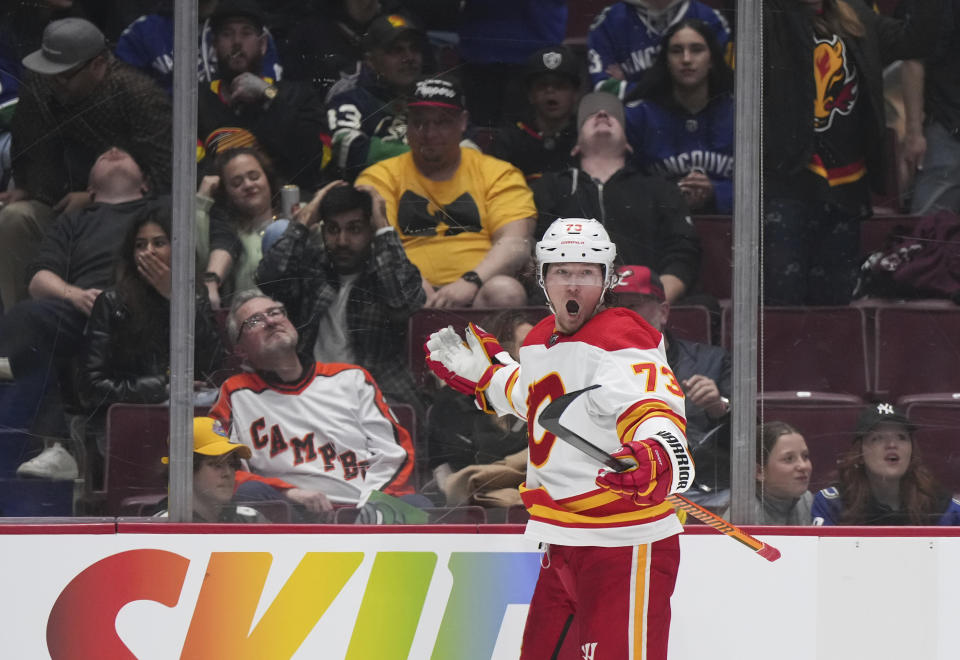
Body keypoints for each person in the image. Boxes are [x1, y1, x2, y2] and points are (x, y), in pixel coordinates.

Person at [426, 217, 694, 659]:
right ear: (542, 279)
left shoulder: (623, 335)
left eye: (586, 273)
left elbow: (649, 401)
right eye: (562, 272)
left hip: (624, 546)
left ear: (606, 280)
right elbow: (534, 397)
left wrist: (660, 450)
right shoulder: (537, 342)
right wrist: (487, 378)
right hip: (562, 544)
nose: (573, 285)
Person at [762, 0, 940, 306]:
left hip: (845, 184)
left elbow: (917, 40)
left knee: (834, 302)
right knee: (784, 301)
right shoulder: (770, 16)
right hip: (790, 181)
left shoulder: (858, 17)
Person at [1, 148, 165, 479]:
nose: (114, 150)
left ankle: (14, 364)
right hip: (82, 312)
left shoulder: (160, 210)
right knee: (28, 315)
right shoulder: (75, 220)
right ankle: (58, 450)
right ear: (90, 189)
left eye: (123, 152)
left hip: (143, 311)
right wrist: (73, 294)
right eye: (102, 155)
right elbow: (37, 279)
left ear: (145, 184)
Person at [0, 17, 171, 309]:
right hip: (58, 207)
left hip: (130, 215)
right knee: (15, 218)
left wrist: (95, 198)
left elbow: (166, 175)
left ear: (98, 64)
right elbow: (26, 151)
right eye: (47, 71)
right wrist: (28, 188)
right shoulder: (41, 82)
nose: (53, 82)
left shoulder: (139, 95)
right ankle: (22, 322)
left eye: (64, 75)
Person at [209, 291, 418, 510]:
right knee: (249, 492)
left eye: (275, 312)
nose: (270, 321)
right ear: (240, 349)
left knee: (416, 504)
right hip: (292, 513)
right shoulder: (235, 393)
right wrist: (288, 492)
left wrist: (369, 506)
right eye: (254, 321)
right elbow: (221, 471)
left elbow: (395, 453)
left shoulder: (351, 378)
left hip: (365, 508)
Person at [355, 77, 536, 308]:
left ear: (463, 122)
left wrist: (471, 281)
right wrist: (415, 284)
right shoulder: (379, 177)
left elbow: (515, 242)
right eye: (420, 122)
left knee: (506, 292)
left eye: (442, 122)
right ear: (406, 125)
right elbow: (378, 242)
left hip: (479, 291)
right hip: (404, 293)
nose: (429, 133)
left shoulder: (498, 173)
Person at [79, 210, 224, 485]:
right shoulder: (111, 303)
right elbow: (92, 386)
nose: (149, 252)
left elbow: (214, 364)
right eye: (140, 245)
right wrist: (163, 385)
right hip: (134, 423)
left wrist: (174, 297)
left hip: (189, 420)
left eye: (159, 243)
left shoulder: (195, 298)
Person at [256, 181, 426, 413]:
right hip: (311, 394)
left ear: (371, 230)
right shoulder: (313, 268)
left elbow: (405, 302)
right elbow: (268, 279)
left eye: (354, 229)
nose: (342, 241)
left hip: (378, 396)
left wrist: (384, 228)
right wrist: (304, 221)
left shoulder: (384, 273)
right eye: (333, 230)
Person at [531, 92, 700, 303]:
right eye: (590, 115)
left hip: (645, 305)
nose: (602, 113)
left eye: (613, 115)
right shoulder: (549, 187)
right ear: (575, 146)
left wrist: (654, 301)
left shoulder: (660, 189)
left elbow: (683, 251)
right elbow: (535, 252)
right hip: (570, 305)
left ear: (628, 144)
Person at [611, 265, 730, 505]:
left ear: (663, 312)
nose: (622, 315)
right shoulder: (595, 365)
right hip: (623, 484)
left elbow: (752, 435)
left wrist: (719, 406)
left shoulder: (713, 361)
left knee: (737, 500)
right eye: (615, 307)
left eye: (633, 306)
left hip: (702, 490)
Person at [196, 0, 326, 190]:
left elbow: (312, 160)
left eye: (246, 33)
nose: (237, 42)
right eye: (227, 34)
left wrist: (268, 95)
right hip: (222, 211)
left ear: (263, 44)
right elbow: (194, 172)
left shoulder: (298, 96)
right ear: (214, 46)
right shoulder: (197, 102)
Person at [625, 19, 735, 214]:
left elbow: (764, 186)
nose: (686, 59)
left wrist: (716, 192)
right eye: (676, 51)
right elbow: (624, 185)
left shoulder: (738, 114)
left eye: (696, 49)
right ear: (666, 61)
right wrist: (669, 194)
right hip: (658, 226)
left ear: (712, 60)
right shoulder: (638, 116)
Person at [428, 309, 536, 508]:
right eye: (525, 347)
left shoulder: (543, 396)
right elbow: (469, 462)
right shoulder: (454, 402)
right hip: (471, 509)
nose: (536, 354)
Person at [812, 402, 960, 526]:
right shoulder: (833, 504)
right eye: (878, 438)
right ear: (860, 453)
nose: (892, 445)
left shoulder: (942, 507)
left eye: (901, 437)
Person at [324, 12, 428, 179]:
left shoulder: (433, 97)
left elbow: (467, 145)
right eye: (397, 50)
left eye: (414, 48)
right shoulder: (350, 100)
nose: (409, 57)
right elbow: (346, 148)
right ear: (370, 61)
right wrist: (424, 158)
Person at [114, 0, 283, 95]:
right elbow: (128, 103)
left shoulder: (252, 33)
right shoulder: (141, 33)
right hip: (168, 143)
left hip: (241, 140)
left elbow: (275, 97)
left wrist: (266, 91)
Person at [587, 0, 730, 100]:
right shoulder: (607, 23)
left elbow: (721, 88)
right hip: (635, 128)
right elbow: (604, 91)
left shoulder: (712, 21)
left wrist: (634, 88)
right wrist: (683, 89)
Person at [196, 146, 280, 308]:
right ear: (227, 193)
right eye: (236, 183)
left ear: (268, 178)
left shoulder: (299, 214)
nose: (248, 185)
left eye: (254, 176)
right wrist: (202, 199)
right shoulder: (229, 236)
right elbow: (198, 258)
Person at [900, 0, 960, 215]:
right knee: (928, 233)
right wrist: (914, 133)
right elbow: (913, 60)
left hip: (947, 129)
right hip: (948, 130)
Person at [489, 45, 581, 180]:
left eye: (560, 85)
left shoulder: (585, 137)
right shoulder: (509, 139)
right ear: (530, 95)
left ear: (575, 95)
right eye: (542, 85)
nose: (550, 91)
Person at [153, 416, 266, 523]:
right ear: (186, 472)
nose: (227, 473)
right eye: (216, 465)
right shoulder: (162, 527)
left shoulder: (251, 520)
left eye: (232, 464)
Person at [721, 421, 814, 525]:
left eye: (805, 456)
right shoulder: (743, 518)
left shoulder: (807, 499)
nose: (803, 466)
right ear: (759, 471)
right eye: (789, 459)